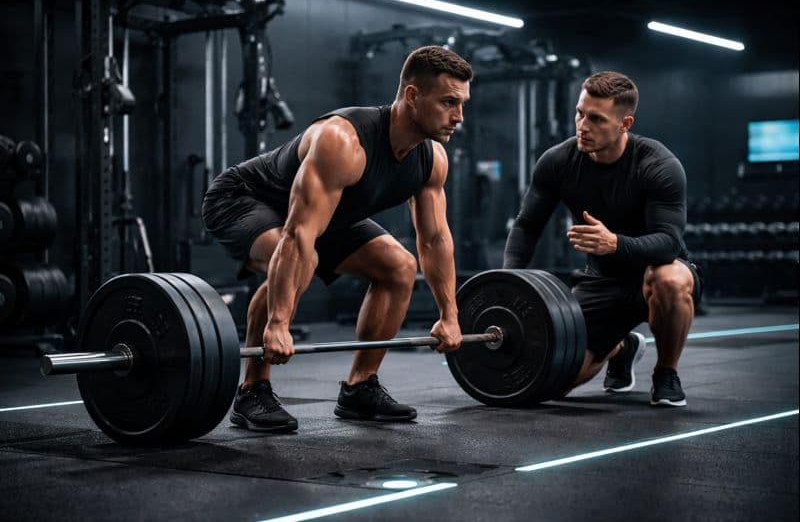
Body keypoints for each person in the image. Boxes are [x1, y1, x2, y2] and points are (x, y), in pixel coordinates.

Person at [202, 46, 472, 432]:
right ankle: (252, 390)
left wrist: (450, 315)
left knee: (399, 267)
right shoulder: (343, 141)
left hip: (325, 215)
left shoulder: (432, 159)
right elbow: (298, 235)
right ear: (413, 96)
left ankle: (360, 388)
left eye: (462, 104)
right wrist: (278, 323)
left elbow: (433, 239)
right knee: (302, 257)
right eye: (449, 102)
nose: (459, 116)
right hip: (244, 198)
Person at [503, 71, 702, 407]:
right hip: (601, 281)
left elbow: (668, 243)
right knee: (554, 381)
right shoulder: (558, 162)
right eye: (580, 113)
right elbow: (527, 226)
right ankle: (622, 347)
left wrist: (615, 244)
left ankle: (666, 372)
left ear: (624, 123)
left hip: (655, 269)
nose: (583, 125)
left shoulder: (657, 164)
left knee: (668, 279)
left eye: (596, 118)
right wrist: (508, 283)